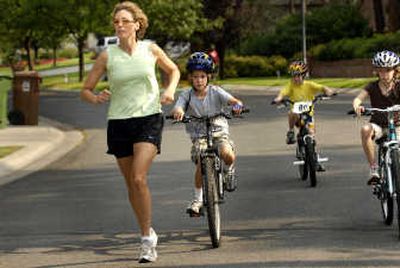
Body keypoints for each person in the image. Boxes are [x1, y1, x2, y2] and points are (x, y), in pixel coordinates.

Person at [80, 1, 180, 263]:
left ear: (137, 24)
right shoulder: (107, 56)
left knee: (138, 179)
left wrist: (169, 90)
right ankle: (147, 229)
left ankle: (146, 241)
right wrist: (96, 97)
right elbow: (85, 89)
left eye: (125, 21)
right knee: (131, 186)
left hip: (148, 117)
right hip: (119, 122)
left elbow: (174, 70)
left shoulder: (151, 49)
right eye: (116, 22)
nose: (120, 25)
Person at [170, 52, 243, 215]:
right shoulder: (186, 94)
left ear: (208, 77)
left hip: (218, 131)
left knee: (226, 154)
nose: (199, 80)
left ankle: (229, 169)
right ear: (190, 78)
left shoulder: (216, 91)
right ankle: (198, 199)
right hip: (199, 135)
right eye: (195, 77)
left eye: (202, 76)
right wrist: (178, 112)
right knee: (201, 162)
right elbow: (178, 106)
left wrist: (237, 106)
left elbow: (233, 101)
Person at [273, 60, 334, 170]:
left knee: (311, 135)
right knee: (292, 112)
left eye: (298, 76)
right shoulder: (290, 86)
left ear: (303, 75)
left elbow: (322, 88)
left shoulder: (309, 85)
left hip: (308, 116)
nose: (295, 78)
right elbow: (283, 93)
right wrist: (279, 98)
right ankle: (291, 131)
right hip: (296, 117)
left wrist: (328, 91)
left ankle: (314, 157)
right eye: (293, 76)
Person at [352, 50, 400, 185]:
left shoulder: (398, 85)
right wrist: (357, 106)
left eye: (388, 70)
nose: (384, 74)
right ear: (376, 72)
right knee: (365, 129)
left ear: (395, 70)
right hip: (378, 126)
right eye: (381, 71)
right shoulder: (372, 86)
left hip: (397, 125)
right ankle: (374, 168)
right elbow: (358, 99)